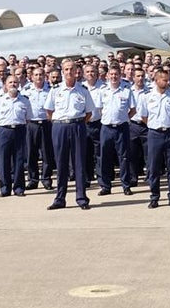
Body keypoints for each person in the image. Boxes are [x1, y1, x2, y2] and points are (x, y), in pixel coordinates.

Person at [43, 58, 92, 210]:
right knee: (61, 163)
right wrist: (59, 123)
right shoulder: (55, 90)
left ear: (77, 71)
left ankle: (81, 198)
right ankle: (60, 199)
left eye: (72, 69)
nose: (69, 72)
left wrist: (76, 123)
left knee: (79, 163)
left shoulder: (83, 90)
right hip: (60, 127)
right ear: (62, 72)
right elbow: (49, 111)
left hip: (77, 126)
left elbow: (89, 113)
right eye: (66, 69)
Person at [138, 68, 170, 208]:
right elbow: (143, 116)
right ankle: (154, 197)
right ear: (156, 80)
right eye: (164, 80)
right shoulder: (147, 96)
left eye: (168, 79)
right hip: (155, 134)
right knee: (154, 167)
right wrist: (155, 125)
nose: (167, 82)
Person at [97, 64, 135, 196]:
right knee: (105, 157)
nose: (114, 77)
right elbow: (100, 109)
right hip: (106, 128)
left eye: (116, 74)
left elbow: (133, 110)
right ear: (108, 76)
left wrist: (124, 118)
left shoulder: (126, 90)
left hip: (121, 128)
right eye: (111, 74)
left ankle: (126, 185)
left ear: (120, 76)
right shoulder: (103, 90)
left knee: (124, 157)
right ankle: (106, 186)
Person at [0, 74, 28, 197]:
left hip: (19, 130)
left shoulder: (25, 100)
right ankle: (5, 188)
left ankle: (19, 188)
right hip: (4, 131)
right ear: (6, 85)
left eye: (15, 82)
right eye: (10, 82)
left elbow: (28, 117)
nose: (13, 84)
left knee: (19, 160)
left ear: (18, 85)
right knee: (3, 160)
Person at [23, 67, 55, 190]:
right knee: (31, 153)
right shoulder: (26, 91)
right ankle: (33, 179)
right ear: (31, 77)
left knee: (47, 154)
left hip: (46, 124)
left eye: (41, 74)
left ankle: (46, 179)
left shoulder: (50, 90)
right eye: (36, 75)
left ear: (44, 76)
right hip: (31, 124)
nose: (38, 77)